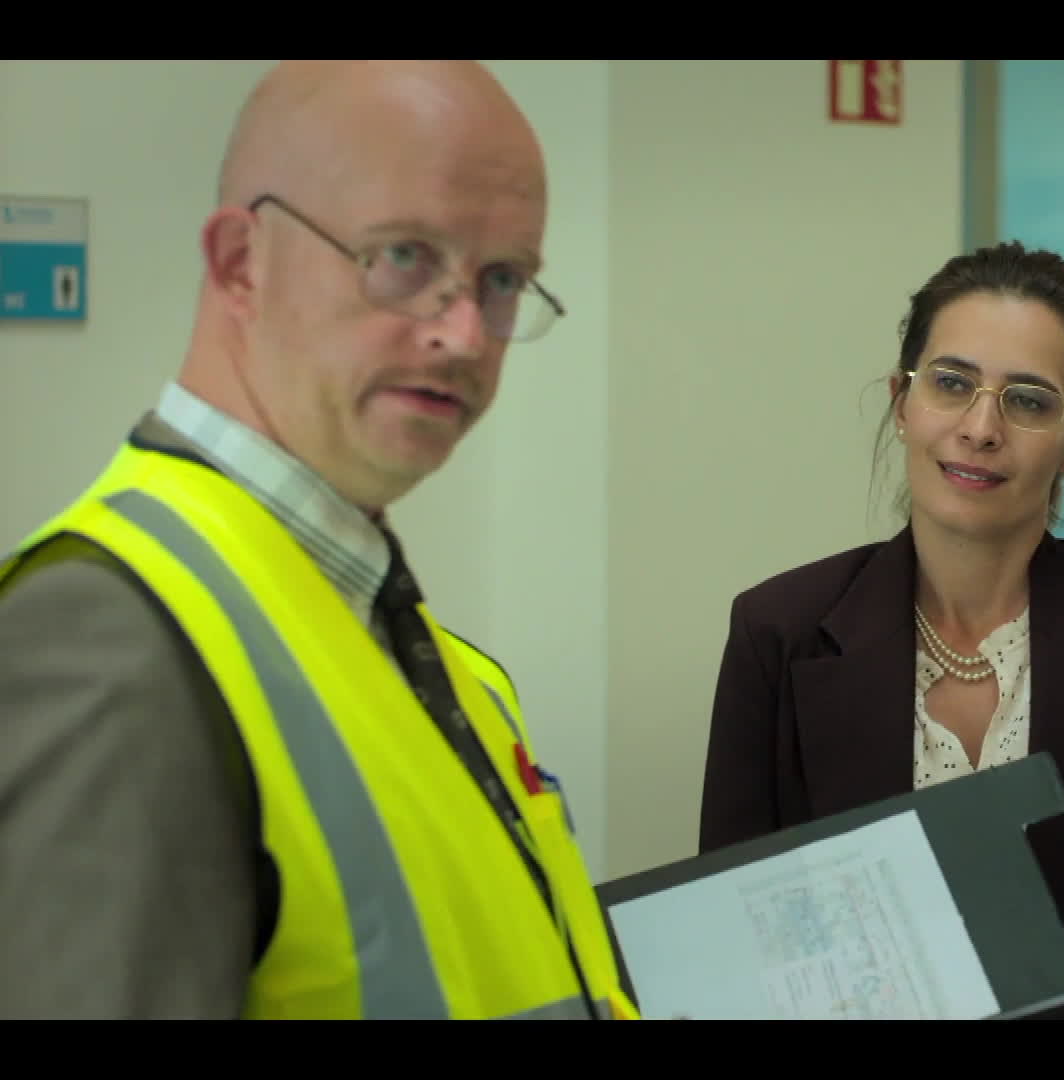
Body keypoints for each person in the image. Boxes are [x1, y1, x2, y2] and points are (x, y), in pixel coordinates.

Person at [0, 60, 639, 1020]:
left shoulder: (427, 656)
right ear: (239, 263)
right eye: (405, 257)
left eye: (504, 279)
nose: (465, 335)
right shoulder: (106, 639)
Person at [698, 241, 1064, 1020]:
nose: (980, 428)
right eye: (951, 383)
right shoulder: (778, 632)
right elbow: (736, 957)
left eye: (1029, 401)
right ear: (902, 402)